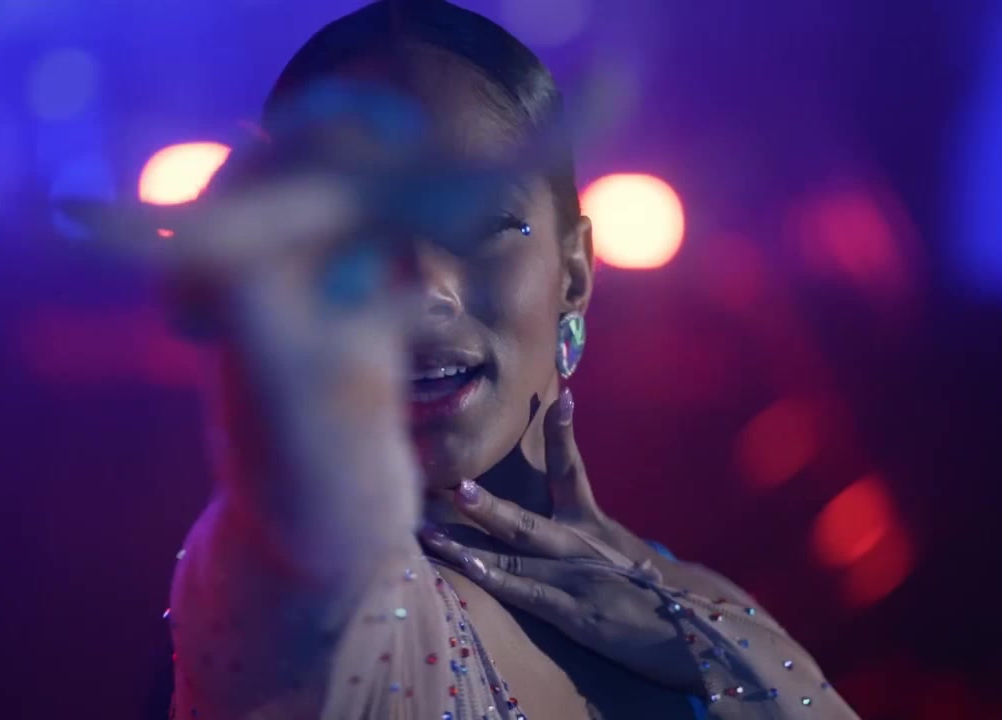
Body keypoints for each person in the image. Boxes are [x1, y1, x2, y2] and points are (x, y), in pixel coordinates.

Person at [138, 2, 863, 718]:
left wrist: (734, 665)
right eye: (358, 238)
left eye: (481, 221)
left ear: (574, 272)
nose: (424, 292)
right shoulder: (315, 610)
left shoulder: (708, 612)